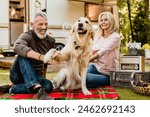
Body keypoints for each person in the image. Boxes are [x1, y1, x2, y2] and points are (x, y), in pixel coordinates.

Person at [0, 12, 55, 98]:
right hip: (18, 75)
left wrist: (43, 77)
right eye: (40, 24)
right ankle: (37, 88)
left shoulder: (50, 40)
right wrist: (41, 57)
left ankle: (12, 89)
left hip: (35, 75)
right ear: (32, 24)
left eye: (46, 24)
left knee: (48, 86)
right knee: (23, 53)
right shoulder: (27, 35)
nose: (44, 27)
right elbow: (17, 46)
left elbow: (45, 63)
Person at [86, 11, 121, 88]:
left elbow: (102, 51)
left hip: (107, 74)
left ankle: (92, 83)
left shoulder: (115, 37)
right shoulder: (98, 36)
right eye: (101, 20)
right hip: (96, 67)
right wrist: (91, 54)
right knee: (79, 75)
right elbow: (94, 54)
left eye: (106, 19)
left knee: (84, 78)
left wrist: (86, 60)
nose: (103, 22)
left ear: (111, 21)